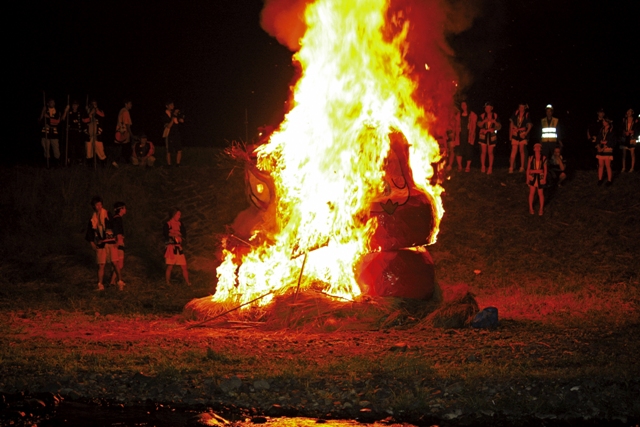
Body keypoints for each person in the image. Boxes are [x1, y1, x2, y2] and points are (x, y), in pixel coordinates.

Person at [85, 196, 123, 291]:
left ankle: (120, 281)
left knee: (115, 262)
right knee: (101, 265)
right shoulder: (93, 218)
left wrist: (118, 239)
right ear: (94, 206)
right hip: (101, 243)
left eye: (100, 204)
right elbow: (90, 231)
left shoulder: (107, 214)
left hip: (111, 242)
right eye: (97, 204)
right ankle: (100, 285)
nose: (99, 206)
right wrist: (92, 243)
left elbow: (115, 226)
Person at [164, 207, 191, 286]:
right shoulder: (168, 224)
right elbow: (165, 234)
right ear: (174, 214)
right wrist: (173, 234)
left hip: (179, 248)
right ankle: (167, 282)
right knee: (170, 266)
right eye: (178, 214)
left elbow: (183, 233)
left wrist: (180, 236)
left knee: (184, 266)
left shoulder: (180, 224)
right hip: (171, 248)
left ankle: (187, 282)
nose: (179, 216)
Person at [509, 103, 532, 173]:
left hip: (522, 134)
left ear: (525, 108)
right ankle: (511, 167)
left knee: (522, 150)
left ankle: (522, 167)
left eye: (522, 107)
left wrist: (526, 133)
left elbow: (530, 125)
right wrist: (510, 135)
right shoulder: (515, 113)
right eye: (520, 107)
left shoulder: (527, 115)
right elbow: (511, 124)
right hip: (515, 134)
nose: (521, 108)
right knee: (514, 151)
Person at [477, 102, 500, 174]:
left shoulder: (495, 115)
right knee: (483, 152)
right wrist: (484, 121)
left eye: (489, 107)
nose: (487, 109)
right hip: (483, 135)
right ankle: (483, 166)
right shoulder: (482, 115)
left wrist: (494, 123)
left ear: (491, 108)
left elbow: (499, 126)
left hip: (491, 136)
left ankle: (490, 167)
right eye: (486, 108)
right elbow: (479, 125)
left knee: (490, 152)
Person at [83, 99, 107, 167]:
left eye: (95, 104)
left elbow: (102, 116)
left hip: (97, 135)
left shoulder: (100, 111)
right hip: (89, 135)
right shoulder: (86, 112)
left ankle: (103, 165)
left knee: (100, 151)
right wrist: (90, 114)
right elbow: (84, 120)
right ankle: (90, 166)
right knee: (89, 151)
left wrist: (95, 110)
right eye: (92, 104)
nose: (94, 105)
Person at [454, 100, 477, 172]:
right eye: (462, 105)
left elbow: (474, 125)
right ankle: (460, 166)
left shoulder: (472, 115)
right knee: (459, 150)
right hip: (459, 135)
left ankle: (468, 167)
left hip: (469, 135)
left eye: (465, 105)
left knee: (469, 150)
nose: (463, 106)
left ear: (467, 105)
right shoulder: (458, 114)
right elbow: (455, 124)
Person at [526, 142, 547, 216]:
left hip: (540, 178)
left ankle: (541, 209)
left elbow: (545, 169)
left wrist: (544, 178)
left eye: (539, 147)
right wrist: (527, 178)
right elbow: (528, 169)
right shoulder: (531, 158)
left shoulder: (544, 158)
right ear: (534, 149)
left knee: (540, 193)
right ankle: (531, 208)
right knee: (532, 193)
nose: (537, 148)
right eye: (536, 147)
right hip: (532, 177)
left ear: (541, 149)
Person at [39, 98, 62, 167]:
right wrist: (42, 112)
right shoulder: (44, 111)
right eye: (50, 102)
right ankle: (47, 164)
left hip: (54, 133)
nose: (52, 103)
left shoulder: (57, 111)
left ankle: (57, 164)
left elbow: (57, 122)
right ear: (47, 104)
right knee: (46, 148)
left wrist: (48, 118)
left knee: (56, 148)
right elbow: (40, 121)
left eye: (53, 102)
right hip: (45, 132)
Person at [109, 202, 127, 290]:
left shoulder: (117, 218)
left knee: (117, 263)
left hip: (119, 242)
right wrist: (118, 241)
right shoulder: (117, 219)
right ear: (121, 209)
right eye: (124, 208)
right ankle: (113, 281)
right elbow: (117, 231)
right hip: (118, 242)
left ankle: (112, 281)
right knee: (119, 263)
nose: (125, 210)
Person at [163, 101, 185, 166]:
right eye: (171, 105)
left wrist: (179, 117)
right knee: (169, 150)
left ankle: (178, 163)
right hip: (169, 134)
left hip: (176, 133)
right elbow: (169, 126)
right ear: (167, 106)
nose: (173, 106)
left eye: (173, 105)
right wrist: (173, 117)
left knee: (179, 149)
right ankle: (169, 164)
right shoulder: (165, 114)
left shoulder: (175, 113)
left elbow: (181, 121)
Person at [62, 100, 84, 165]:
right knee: (69, 147)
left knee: (78, 147)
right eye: (73, 105)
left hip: (78, 132)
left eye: (76, 105)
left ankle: (79, 161)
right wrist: (65, 110)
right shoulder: (69, 113)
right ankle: (68, 160)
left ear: (78, 106)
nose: (74, 106)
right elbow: (63, 119)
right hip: (70, 132)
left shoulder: (80, 113)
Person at [113, 99, 133, 168]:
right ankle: (125, 162)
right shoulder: (125, 112)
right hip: (124, 132)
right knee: (126, 147)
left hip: (120, 132)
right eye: (130, 104)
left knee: (122, 147)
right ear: (126, 104)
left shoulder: (122, 110)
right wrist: (131, 134)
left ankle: (119, 161)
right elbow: (127, 124)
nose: (131, 105)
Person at [595, 119, 615, 186]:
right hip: (601, 150)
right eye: (603, 121)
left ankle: (609, 180)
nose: (603, 122)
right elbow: (598, 139)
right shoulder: (601, 130)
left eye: (604, 121)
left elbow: (612, 140)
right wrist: (598, 147)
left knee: (608, 165)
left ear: (608, 122)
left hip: (607, 149)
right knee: (600, 165)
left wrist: (604, 147)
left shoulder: (611, 130)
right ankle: (600, 179)